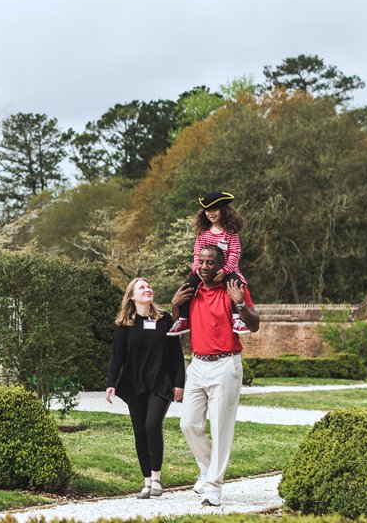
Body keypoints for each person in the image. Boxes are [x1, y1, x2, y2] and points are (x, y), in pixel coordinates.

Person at [170, 244, 260, 507]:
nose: (205, 266)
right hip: (197, 364)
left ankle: (213, 486)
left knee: (220, 428)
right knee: (188, 424)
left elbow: (253, 325)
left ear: (221, 265)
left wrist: (240, 303)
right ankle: (209, 470)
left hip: (225, 363)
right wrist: (175, 305)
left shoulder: (232, 289)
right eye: (202, 261)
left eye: (211, 262)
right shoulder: (193, 290)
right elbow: (179, 322)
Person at [105, 278, 186, 499]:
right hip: (135, 384)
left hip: (161, 383)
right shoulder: (125, 325)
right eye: (142, 287)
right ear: (132, 296)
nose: (147, 289)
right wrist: (111, 383)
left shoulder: (165, 320)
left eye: (149, 286)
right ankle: (147, 482)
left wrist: (179, 382)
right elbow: (117, 357)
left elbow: (176, 355)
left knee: (152, 425)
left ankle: (157, 478)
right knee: (140, 431)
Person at [168, 191, 249, 336]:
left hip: (227, 271)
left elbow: (235, 253)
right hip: (205, 270)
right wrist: (196, 268)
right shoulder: (203, 233)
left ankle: (236, 319)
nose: (210, 213)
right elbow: (197, 253)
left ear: (223, 211)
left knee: (235, 285)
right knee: (187, 286)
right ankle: (183, 319)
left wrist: (225, 270)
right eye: (207, 210)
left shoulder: (230, 232)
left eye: (214, 209)